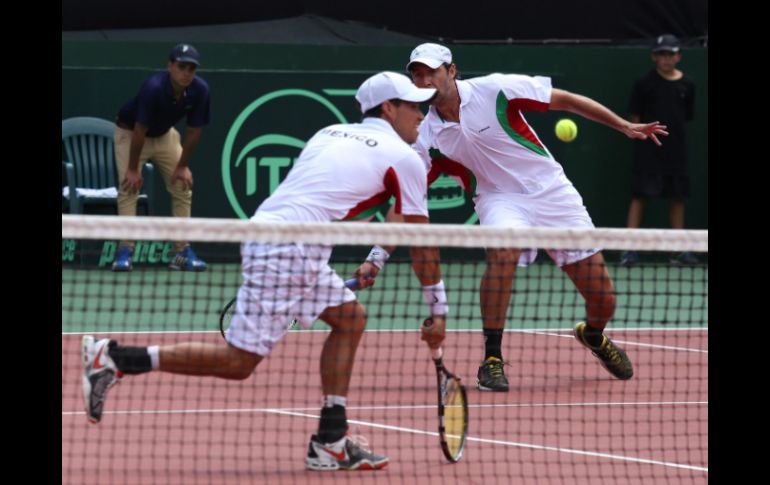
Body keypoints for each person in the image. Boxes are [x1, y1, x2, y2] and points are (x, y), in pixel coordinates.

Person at [82, 71, 448, 471]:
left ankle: (330, 440)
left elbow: (360, 206)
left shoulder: (330, 133)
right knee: (238, 363)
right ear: (389, 109)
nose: (422, 114)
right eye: (414, 105)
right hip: (289, 250)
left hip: (284, 239)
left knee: (350, 319)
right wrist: (439, 310)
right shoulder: (404, 158)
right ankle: (116, 358)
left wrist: (374, 258)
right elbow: (422, 244)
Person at [404, 43, 668, 391]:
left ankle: (593, 334)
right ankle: (492, 358)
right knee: (503, 252)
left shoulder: (495, 90)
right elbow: (409, 198)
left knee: (603, 299)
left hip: (552, 191)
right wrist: (376, 255)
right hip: (498, 198)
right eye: (417, 74)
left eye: (431, 72)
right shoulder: (424, 136)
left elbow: (567, 100)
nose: (424, 80)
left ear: (451, 71)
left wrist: (623, 126)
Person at [112, 43, 211, 272]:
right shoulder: (153, 87)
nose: (186, 73)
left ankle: (181, 253)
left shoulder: (200, 90)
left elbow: (194, 131)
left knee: (182, 186)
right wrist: (133, 170)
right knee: (128, 187)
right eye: (181, 67)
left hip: (164, 135)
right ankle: (124, 251)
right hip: (131, 133)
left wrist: (182, 166)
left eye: (191, 69)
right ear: (170, 66)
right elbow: (140, 129)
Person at [621, 34, 698, 266]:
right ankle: (629, 249)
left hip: (676, 152)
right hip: (648, 152)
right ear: (654, 57)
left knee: (677, 198)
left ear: (678, 56)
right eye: (662, 54)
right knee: (640, 197)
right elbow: (634, 119)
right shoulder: (643, 84)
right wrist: (645, 138)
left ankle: (677, 251)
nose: (666, 58)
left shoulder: (688, 84)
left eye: (670, 54)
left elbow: (686, 116)